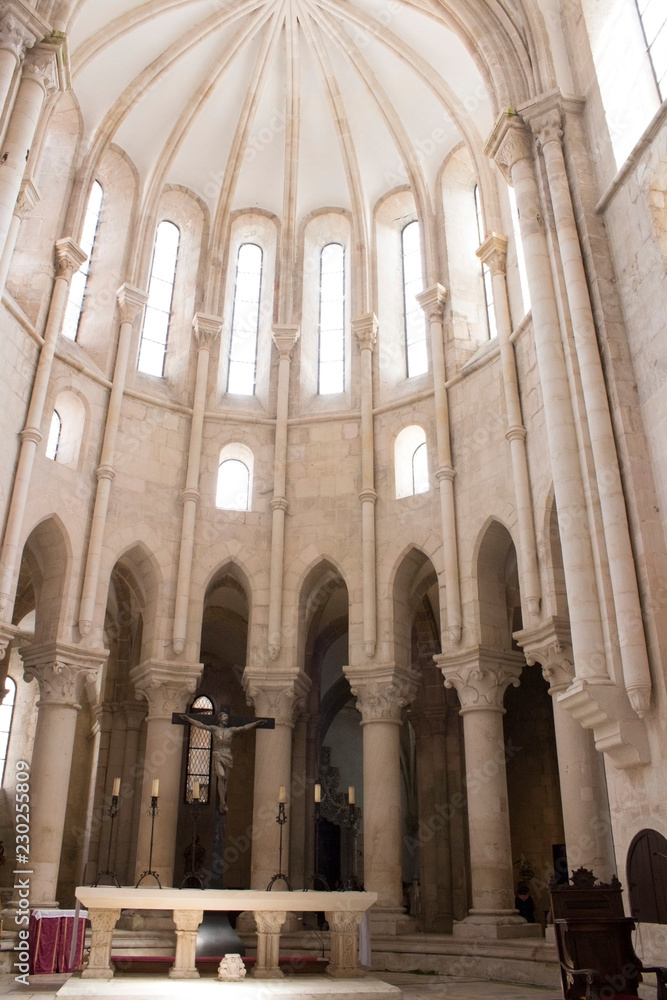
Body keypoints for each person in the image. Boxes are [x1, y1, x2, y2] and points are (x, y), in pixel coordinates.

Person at [180, 711, 262, 813]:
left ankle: (222, 803)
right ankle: (222, 802)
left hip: (227, 755)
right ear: (219, 718)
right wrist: (188, 719)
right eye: (224, 716)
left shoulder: (231, 730)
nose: (226, 719)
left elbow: (244, 728)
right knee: (221, 776)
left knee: (225, 780)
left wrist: (256, 723)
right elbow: (201, 725)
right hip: (218, 754)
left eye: (227, 717)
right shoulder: (214, 729)